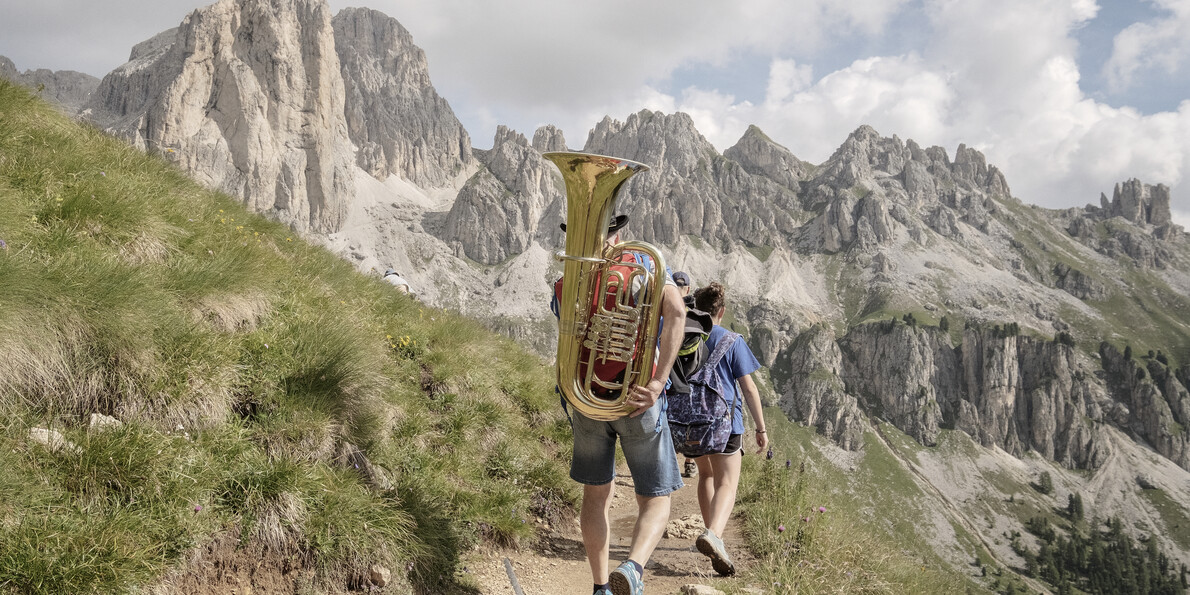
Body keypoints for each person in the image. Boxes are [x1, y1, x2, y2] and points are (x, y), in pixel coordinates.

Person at [551, 214, 686, 595]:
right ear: (618, 233)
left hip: (587, 400)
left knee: (596, 495)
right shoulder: (644, 267)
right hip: (636, 399)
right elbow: (677, 313)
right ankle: (633, 566)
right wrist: (658, 382)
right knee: (657, 498)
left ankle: (599, 587)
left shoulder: (565, 283)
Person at [688, 281, 769, 577]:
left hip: (692, 421)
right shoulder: (732, 340)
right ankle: (714, 535)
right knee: (727, 482)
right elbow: (748, 388)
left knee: (706, 475)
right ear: (721, 311)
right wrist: (760, 429)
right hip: (725, 423)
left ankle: (712, 534)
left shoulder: (687, 335)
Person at [671, 271, 699, 479]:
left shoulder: (665, 308)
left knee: (668, 417)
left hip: (670, 373)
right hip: (691, 374)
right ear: (687, 289)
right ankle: (690, 462)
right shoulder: (695, 314)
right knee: (690, 419)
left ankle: (669, 461)